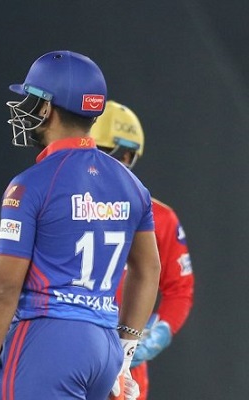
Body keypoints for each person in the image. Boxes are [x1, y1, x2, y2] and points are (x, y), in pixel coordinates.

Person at [0, 50, 161, 400]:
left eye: (30, 99)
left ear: (46, 108)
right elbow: (148, 269)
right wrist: (125, 352)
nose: (24, 108)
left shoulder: (31, 184)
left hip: (49, 340)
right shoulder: (133, 185)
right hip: (104, 347)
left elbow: (3, 285)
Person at [89, 100, 195, 400]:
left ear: (128, 156)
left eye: (101, 150)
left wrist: (151, 336)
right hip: (63, 349)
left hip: (123, 371)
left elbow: (180, 289)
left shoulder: (160, 219)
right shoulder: (59, 203)